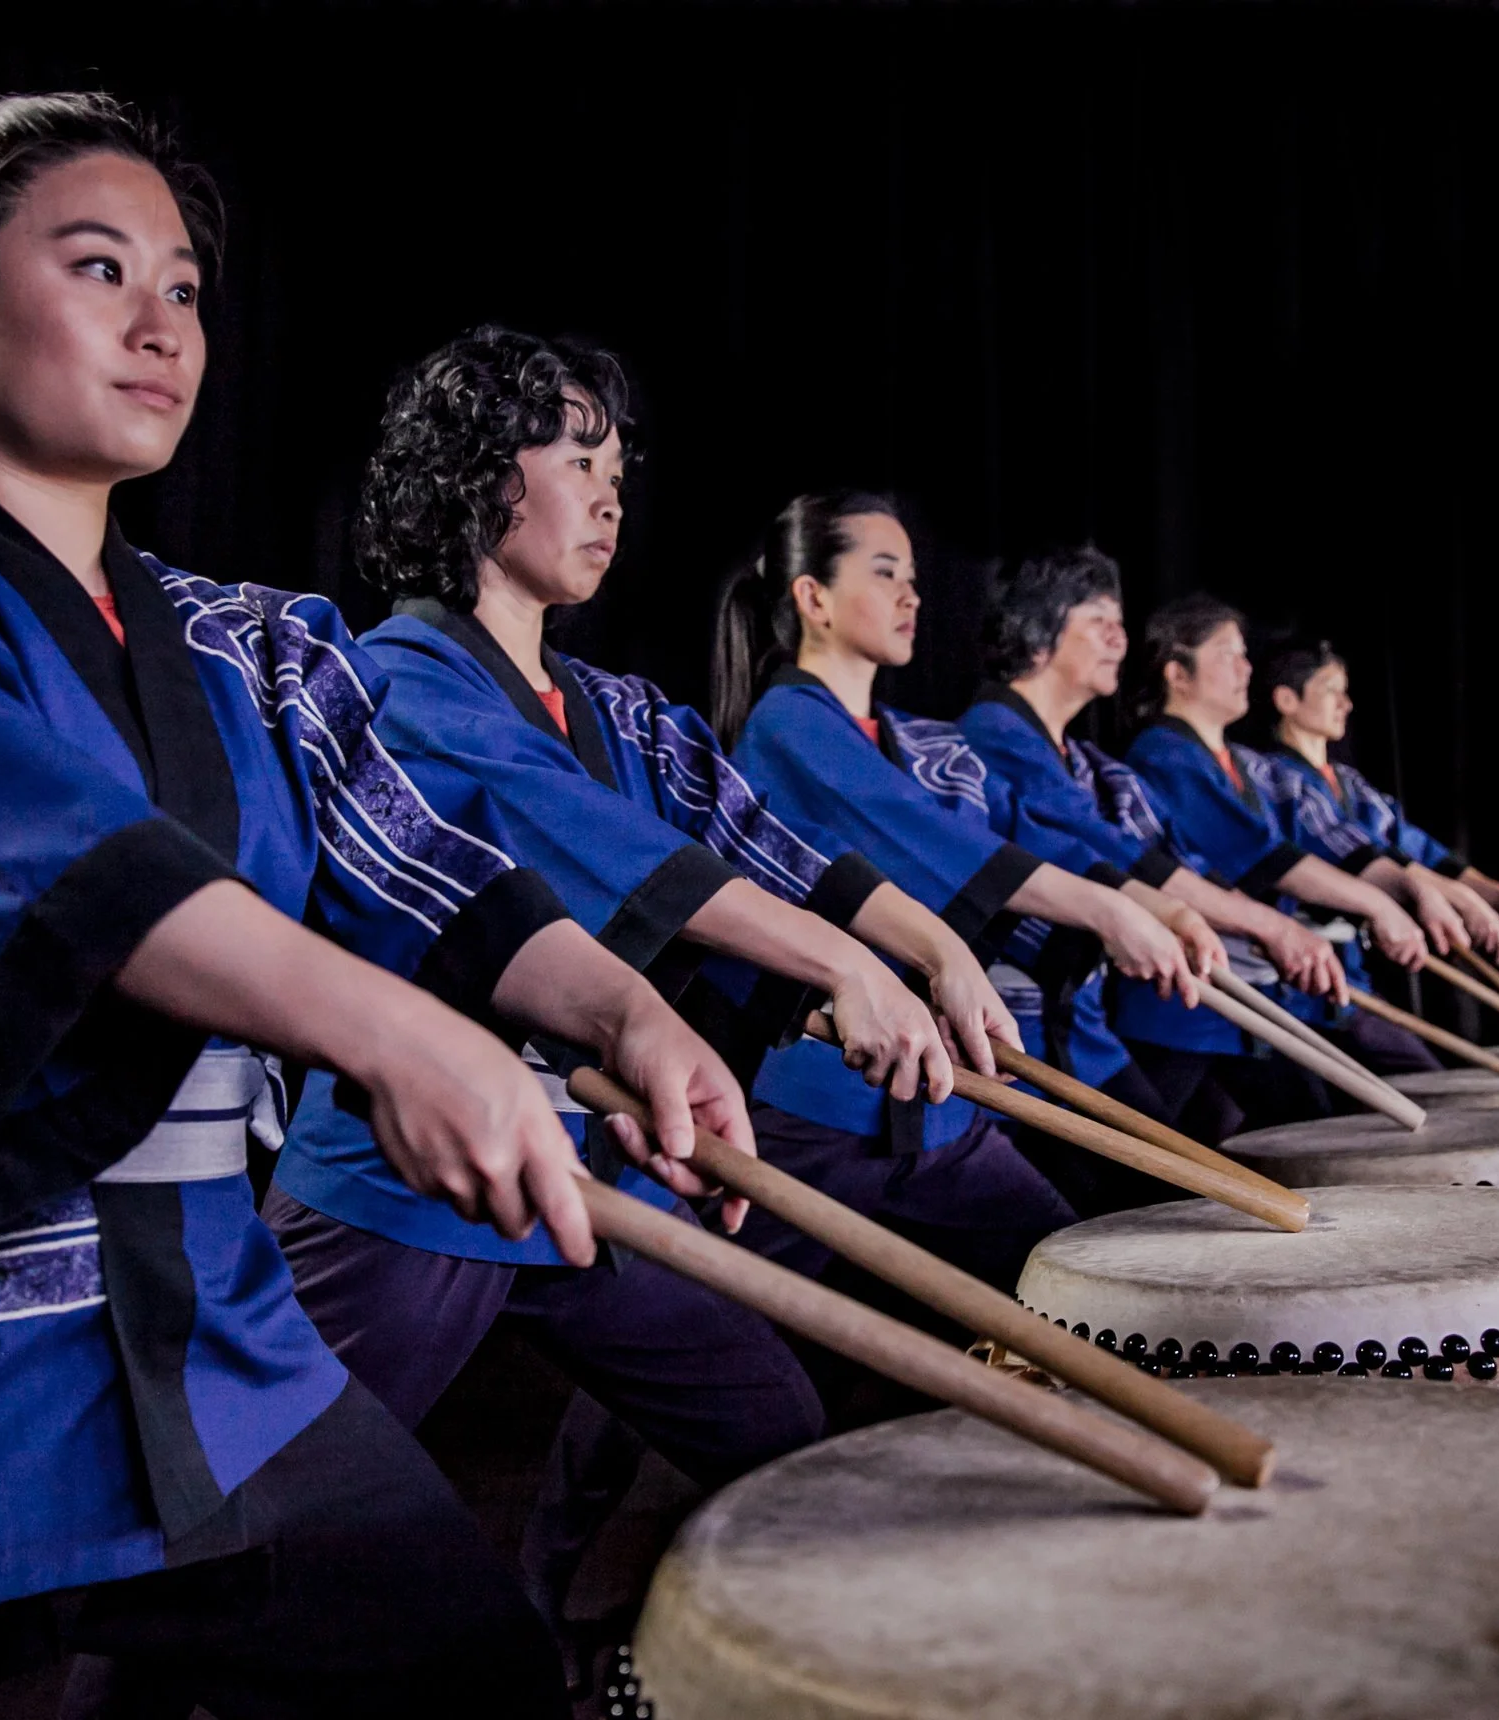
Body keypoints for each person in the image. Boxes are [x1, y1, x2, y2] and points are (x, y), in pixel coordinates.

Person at [0, 96, 734, 1720]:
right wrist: (395, 1038)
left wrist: (626, 1014)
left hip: (218, 1363)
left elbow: (419, 870)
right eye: (99, 266)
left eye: (186, 288)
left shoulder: (254, 645)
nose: (162, 327)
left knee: (473, 1672)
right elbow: (51, 860)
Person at [258, 329, 1025, 1636]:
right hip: (404, 1187)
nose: (612, 493)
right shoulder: (395, 682)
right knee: (242, 1528)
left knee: (770, 1423)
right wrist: (840, 963)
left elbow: (751, 840)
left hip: (574, 1161)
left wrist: (928, 952)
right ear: (469, 477)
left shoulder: (612, 706)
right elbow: (607, 849)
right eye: (575, 457)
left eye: (622, 465)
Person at [714, 492, 1220, 1216]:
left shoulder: (915, 738)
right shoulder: (786, 726)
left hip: (943, 1104)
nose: (911, 595)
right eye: (886, 573)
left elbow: (1019, 839)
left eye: (914, 577)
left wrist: (1152, 904)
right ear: (814, 598)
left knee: (1064, 1275)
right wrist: (1106, 910)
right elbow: (937, 842)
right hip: (823, 1108)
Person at [958, 549, 1356, 1134]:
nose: (1120, 639)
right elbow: (1104, 853)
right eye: (1099, 622)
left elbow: (1167, 857)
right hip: (1020, 1042)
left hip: (1087, 1025)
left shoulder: (1086, 761)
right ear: (1038, 634)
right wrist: (1262, 923)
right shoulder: (991, 736)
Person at [1126, 595, 1467, 1080]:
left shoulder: (1252, 767)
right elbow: (1262, 856)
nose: (1245, 668)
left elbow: (1348, 844)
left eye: (1246, 654)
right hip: (1195, 1001)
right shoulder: (1163, 756)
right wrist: (1379, 905)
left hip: (1261, 996)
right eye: (1228, 654)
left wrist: (1434, 890)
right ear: (1177, 674)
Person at [1259, 639, 1499, 949]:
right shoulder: (1272, 777)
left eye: (1345, 691)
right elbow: (1351, 851)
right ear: (1287, 699)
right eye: (1331, 691)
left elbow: (1415, 848)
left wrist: (1497, 895)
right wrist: (1452, 896)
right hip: (1298, 961)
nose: (1347, 704)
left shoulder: (1350, 783)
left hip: (1349, 962)